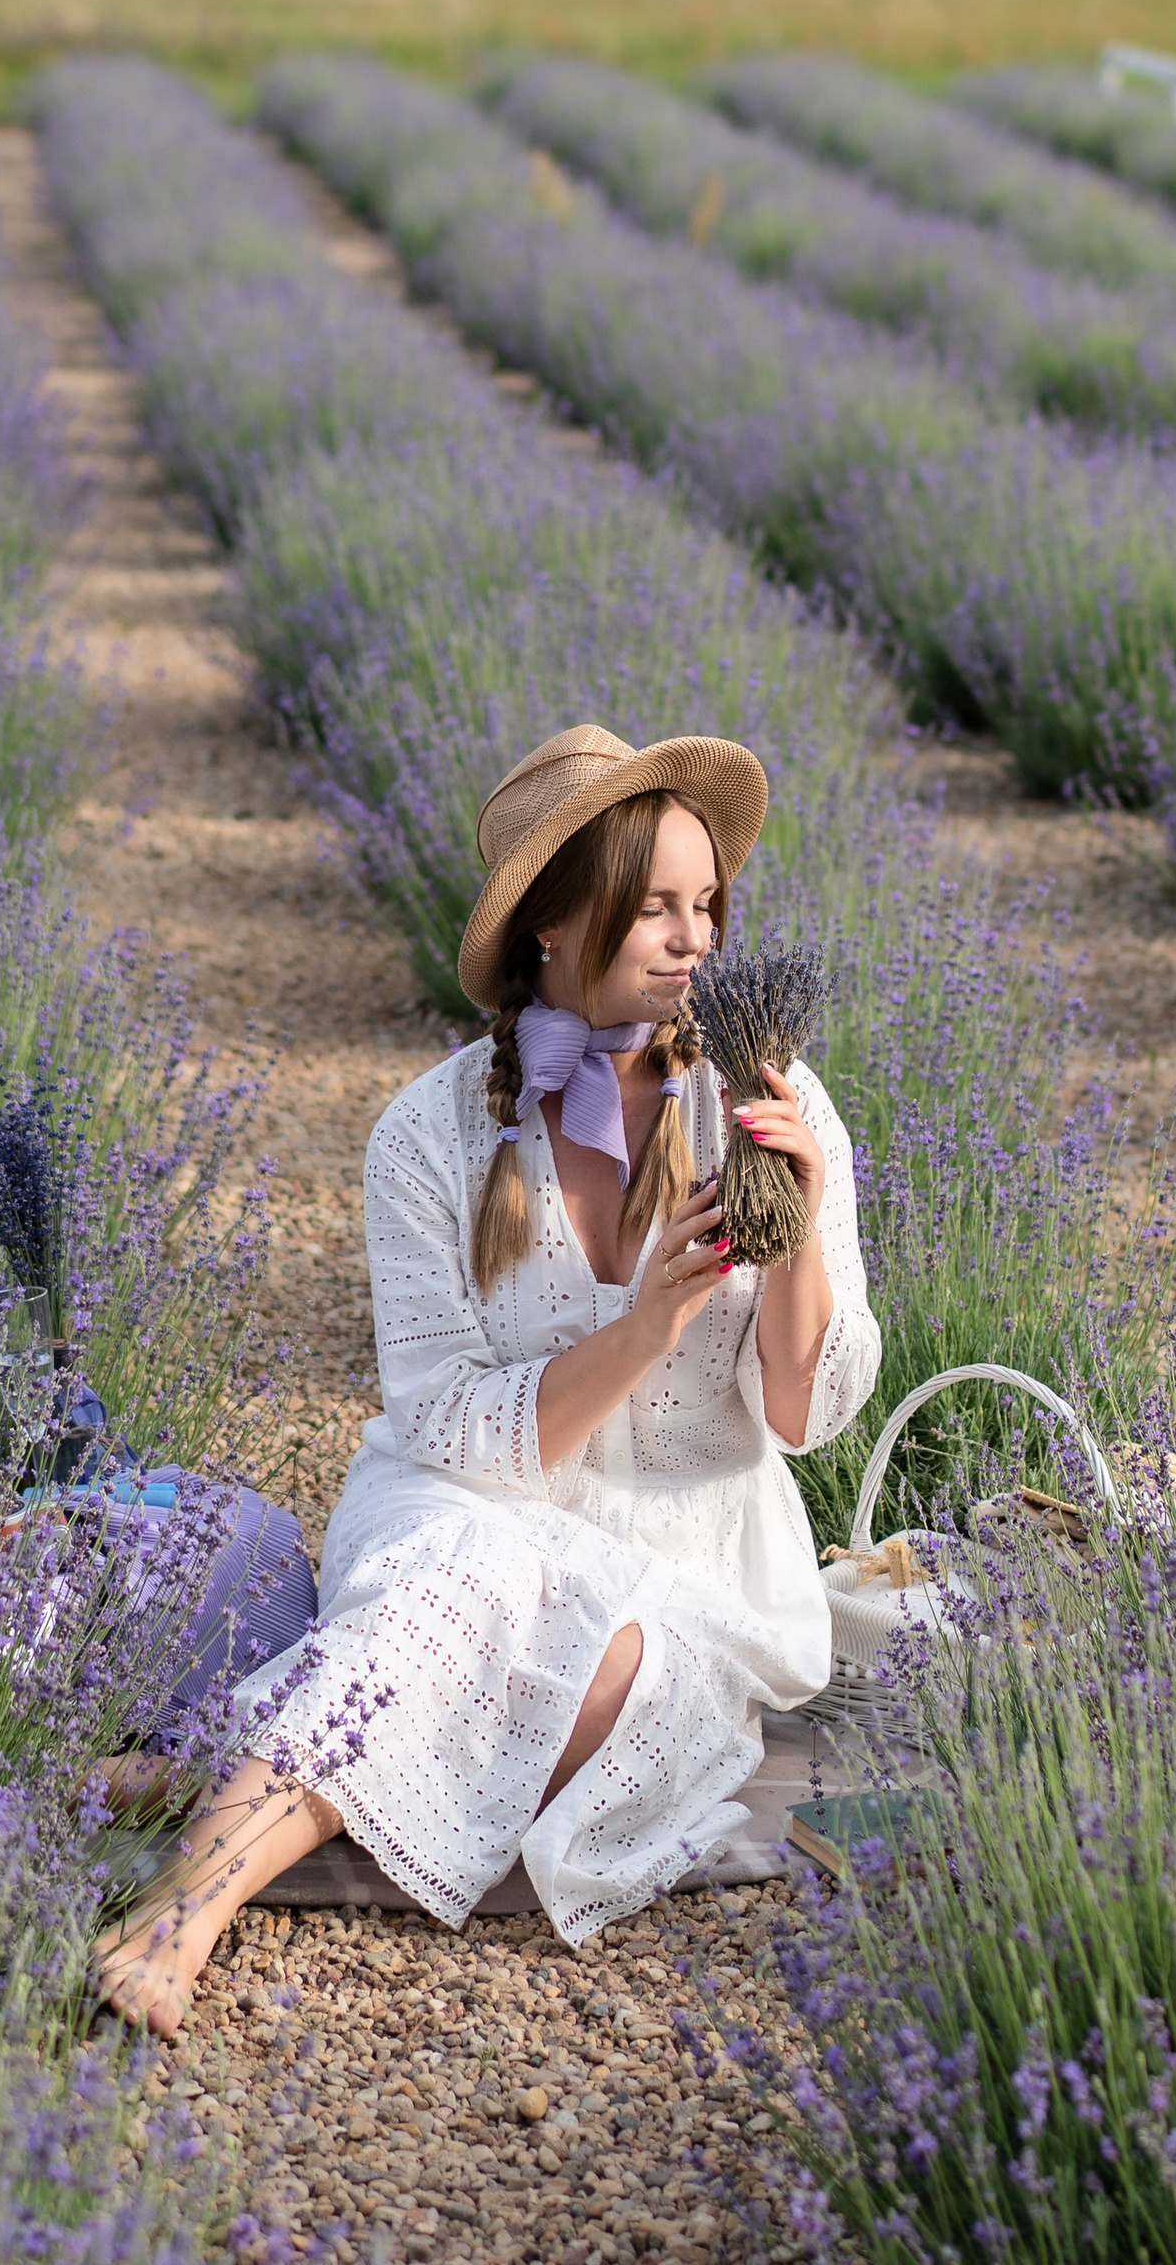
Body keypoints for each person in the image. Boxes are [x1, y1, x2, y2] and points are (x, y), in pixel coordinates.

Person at [91, 721, 881, 2036]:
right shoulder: (430, 1132)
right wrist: (643, 1325)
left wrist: (795, 1224)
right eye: (652, 912)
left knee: (595, 1667)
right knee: (472, 1589)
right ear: (550, 932)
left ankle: (195, 1772)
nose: (692, 943)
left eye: (706, 908)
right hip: (463, 1505)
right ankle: (189, 1911)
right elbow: (447, 1424)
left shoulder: (776, 1104)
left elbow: (801, 1415)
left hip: (687, 1558)